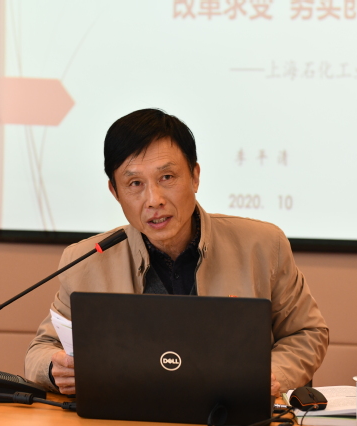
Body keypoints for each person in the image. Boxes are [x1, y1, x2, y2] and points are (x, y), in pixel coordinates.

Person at [25, 109, 329, 396]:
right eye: (135, 183)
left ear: (195, 176)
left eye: (167, 178)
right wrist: (54, 368)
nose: (154, 199)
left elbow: (307, 332)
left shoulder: (262, 246)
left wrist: (271, 374)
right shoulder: (86, 261)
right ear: (115, 192)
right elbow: (41, 349)